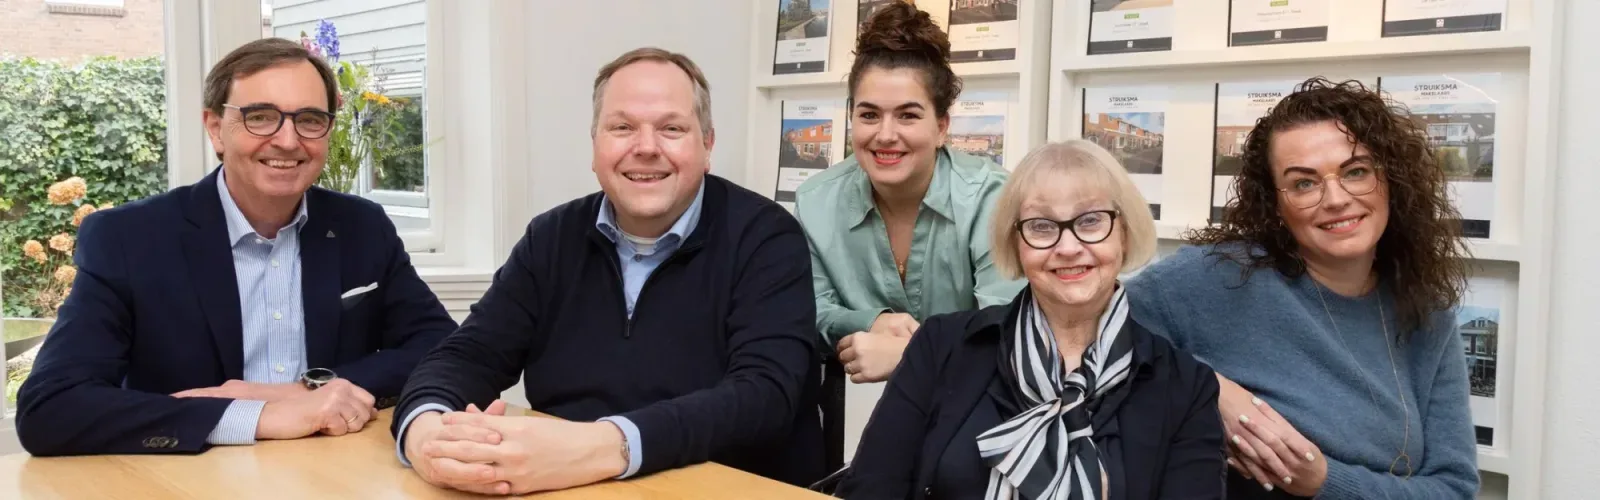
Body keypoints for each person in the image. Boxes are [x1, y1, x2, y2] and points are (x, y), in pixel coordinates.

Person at [390, 47, 825, 496]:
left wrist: (605, 446)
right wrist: (427, 435)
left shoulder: (766, 237)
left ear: (707, 145)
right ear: (595, 144)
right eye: (622, 128)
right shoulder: (550, 238)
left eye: (671, 128)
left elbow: (765, 395)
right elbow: (470, 355)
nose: (646, 148)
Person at [15, 38, 458, 456]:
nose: (288, 140)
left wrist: (305, 391)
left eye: (309, 119)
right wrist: (258, 416)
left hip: (333, 468)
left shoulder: (361, 226)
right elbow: (50, 407)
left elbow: (443, 348)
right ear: (215, 129)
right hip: (189, 481)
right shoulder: (128, 238)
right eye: (260, 117)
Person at [1126, 77, 1480, 498]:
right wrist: (1208, 389)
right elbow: (1093, 330)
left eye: (1356, 172)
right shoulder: (1218, 277)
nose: (1335, 199)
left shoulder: (1428, 312)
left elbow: (1454, 488)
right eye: (1304, 183)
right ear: (1276, 205)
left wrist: (1323, 480)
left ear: (1392, 181)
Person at [836, 140, 1225, 499]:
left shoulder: (1187, 388)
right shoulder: (942, 346)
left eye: (1091, 220)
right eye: (1041, 226)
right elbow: (871, 488)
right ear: (1016, 243)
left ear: (1124, 233)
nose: (1068, 247)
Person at [795, 1, 1023, 384]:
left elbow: (1006, 330)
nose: (885, 135)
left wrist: (913, 354)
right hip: (856, 407)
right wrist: (872, 322)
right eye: (869, 115)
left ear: (942, 127)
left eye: (908, 115)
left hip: (976, 405)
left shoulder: (993, 198)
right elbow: (805, 311)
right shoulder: (815, 201)